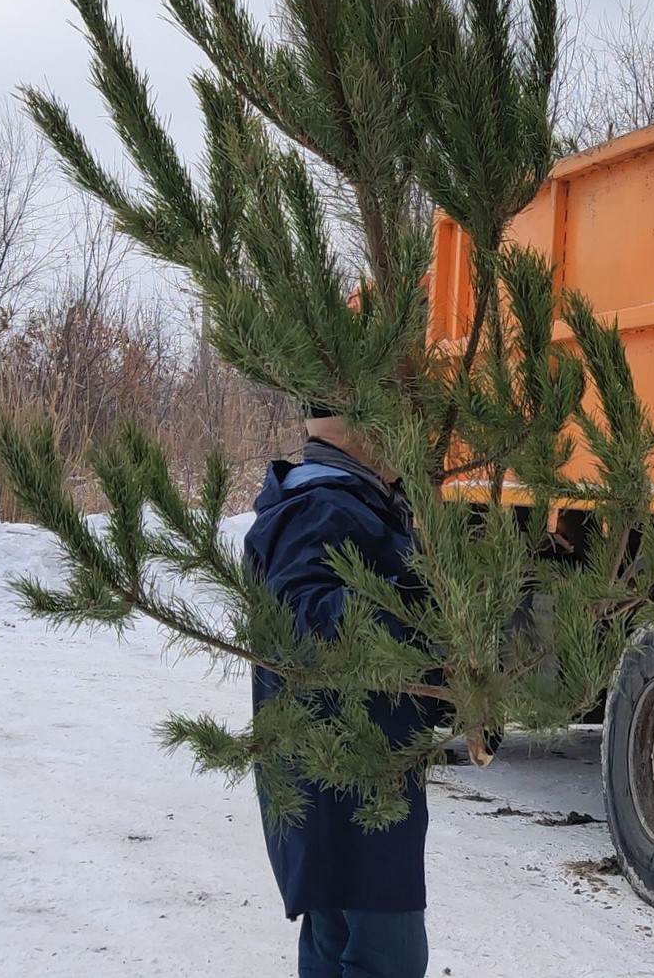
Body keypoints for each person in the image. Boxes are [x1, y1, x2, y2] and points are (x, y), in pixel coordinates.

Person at [244, 407, 441, 978]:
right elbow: (309, 626)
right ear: (353, 422)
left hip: (345, 777)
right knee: (389, 958)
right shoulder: (319, 506)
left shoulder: (339, 499)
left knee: (335, 943)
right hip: (347, 779)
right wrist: (422, 585)